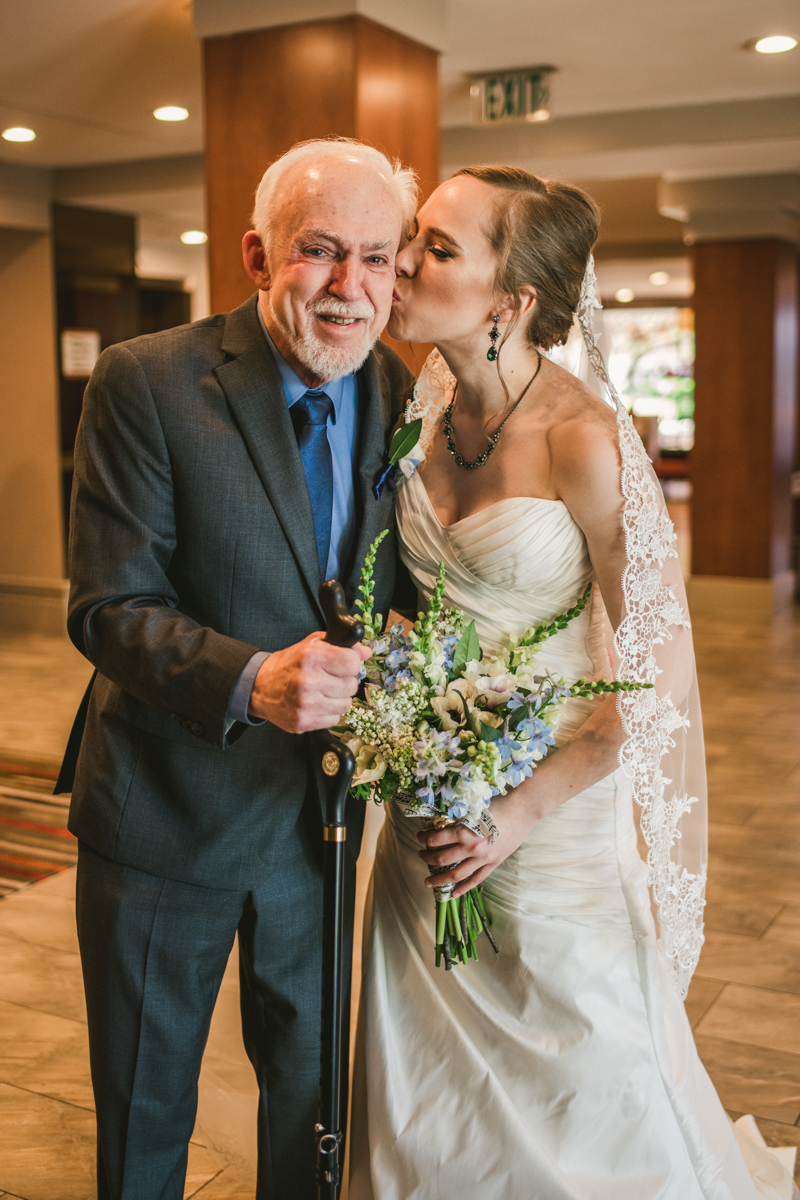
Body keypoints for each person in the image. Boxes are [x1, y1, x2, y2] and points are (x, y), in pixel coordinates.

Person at [349, 167, 798, 1199]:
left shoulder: (582, 440)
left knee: (575, 1060)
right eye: (414, 235)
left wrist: (512, 813)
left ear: (511, 302)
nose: (403, 261)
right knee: (424, 1066)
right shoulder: (410, 415)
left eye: (439, 248)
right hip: (428, 797)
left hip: (551, 816)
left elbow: (651, 687)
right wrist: (407, 721)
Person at [62, 138, 417, 1200]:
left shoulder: (407, 393)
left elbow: (403, 583)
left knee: (313, 1115)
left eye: (377, 258)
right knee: (144, 1113)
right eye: (320, 251)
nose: (350, 288)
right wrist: (252, 678)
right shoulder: (149, 379)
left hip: (323, 827)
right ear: (259, 254)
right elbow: (106, 605)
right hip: (165, 809)